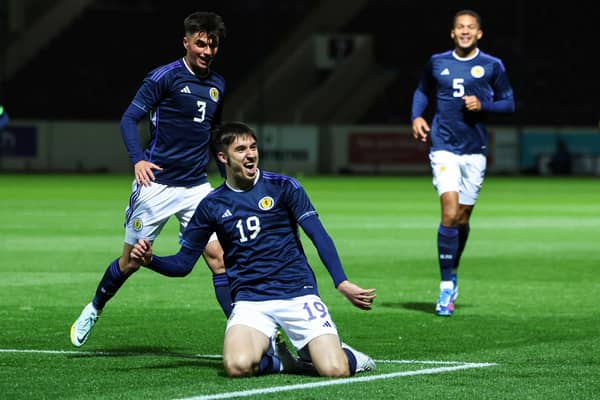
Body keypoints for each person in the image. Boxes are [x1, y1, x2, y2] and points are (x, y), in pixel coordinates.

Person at [130, 121, 377, 377]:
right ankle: (284, 362)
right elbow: (182, 264)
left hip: (297, 293)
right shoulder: (211, 205)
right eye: (241, 149)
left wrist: (341, 281)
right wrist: (150, 260)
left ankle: (351, 357)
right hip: (250, 301)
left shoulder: (284, 187)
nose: (250, 154)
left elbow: (319, 235)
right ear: (223, 157)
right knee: (237, 366)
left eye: (253, 147)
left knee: (335, 370)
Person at [70, 11, 233, 347]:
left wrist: (224, 177)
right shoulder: (164, 77)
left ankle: (244, 330)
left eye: (212, 45)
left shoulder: (218, 85)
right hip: (156, 185)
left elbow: (212, 132)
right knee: (130, 262)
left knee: (219, 259)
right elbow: (129, 119)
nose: (206, 50)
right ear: (186, 42)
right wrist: (138, 160)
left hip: (196, 188)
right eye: (200, 43)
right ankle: (94, 307)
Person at [410, 9, 515, 316]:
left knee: (463, 218)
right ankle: (445, 288)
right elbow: (421, 90)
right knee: (449, 211)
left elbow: (509, 102)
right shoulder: (437, 61)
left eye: (471, 28)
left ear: (479, 33)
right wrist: (417, 116)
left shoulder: (492, 65)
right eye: (460, 27)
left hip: (475, 150)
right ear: (452, 33)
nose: (465, 31)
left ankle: (452, 268)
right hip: (443, 146)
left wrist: (485, 104)